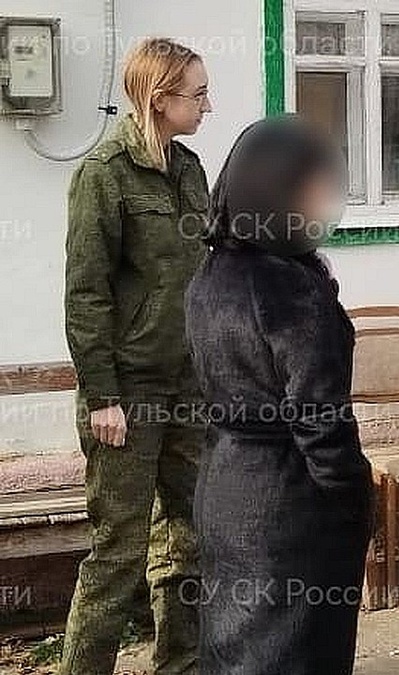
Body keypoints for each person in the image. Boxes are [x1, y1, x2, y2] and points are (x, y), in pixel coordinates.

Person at [185, 116, 372, 675]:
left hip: (225, 485)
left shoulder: (212, 273)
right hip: (290, 505)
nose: (327, 201)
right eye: (317, 187)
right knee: (294, 650)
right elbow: (320, 419)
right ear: (279, 192)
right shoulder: (291, 289)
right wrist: (352, 499)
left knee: (234, 646)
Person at [61, 37, 212, 675]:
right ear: (159, 98)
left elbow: (207, 268)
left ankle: (182, 664)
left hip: (189, 387)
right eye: (197, 94)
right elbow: (86, 293)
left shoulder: (190, 169)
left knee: (189, 538)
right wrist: (103, 397)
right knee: (117, 554)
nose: (207, 106)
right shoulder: (104, 174)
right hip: (127, 395)